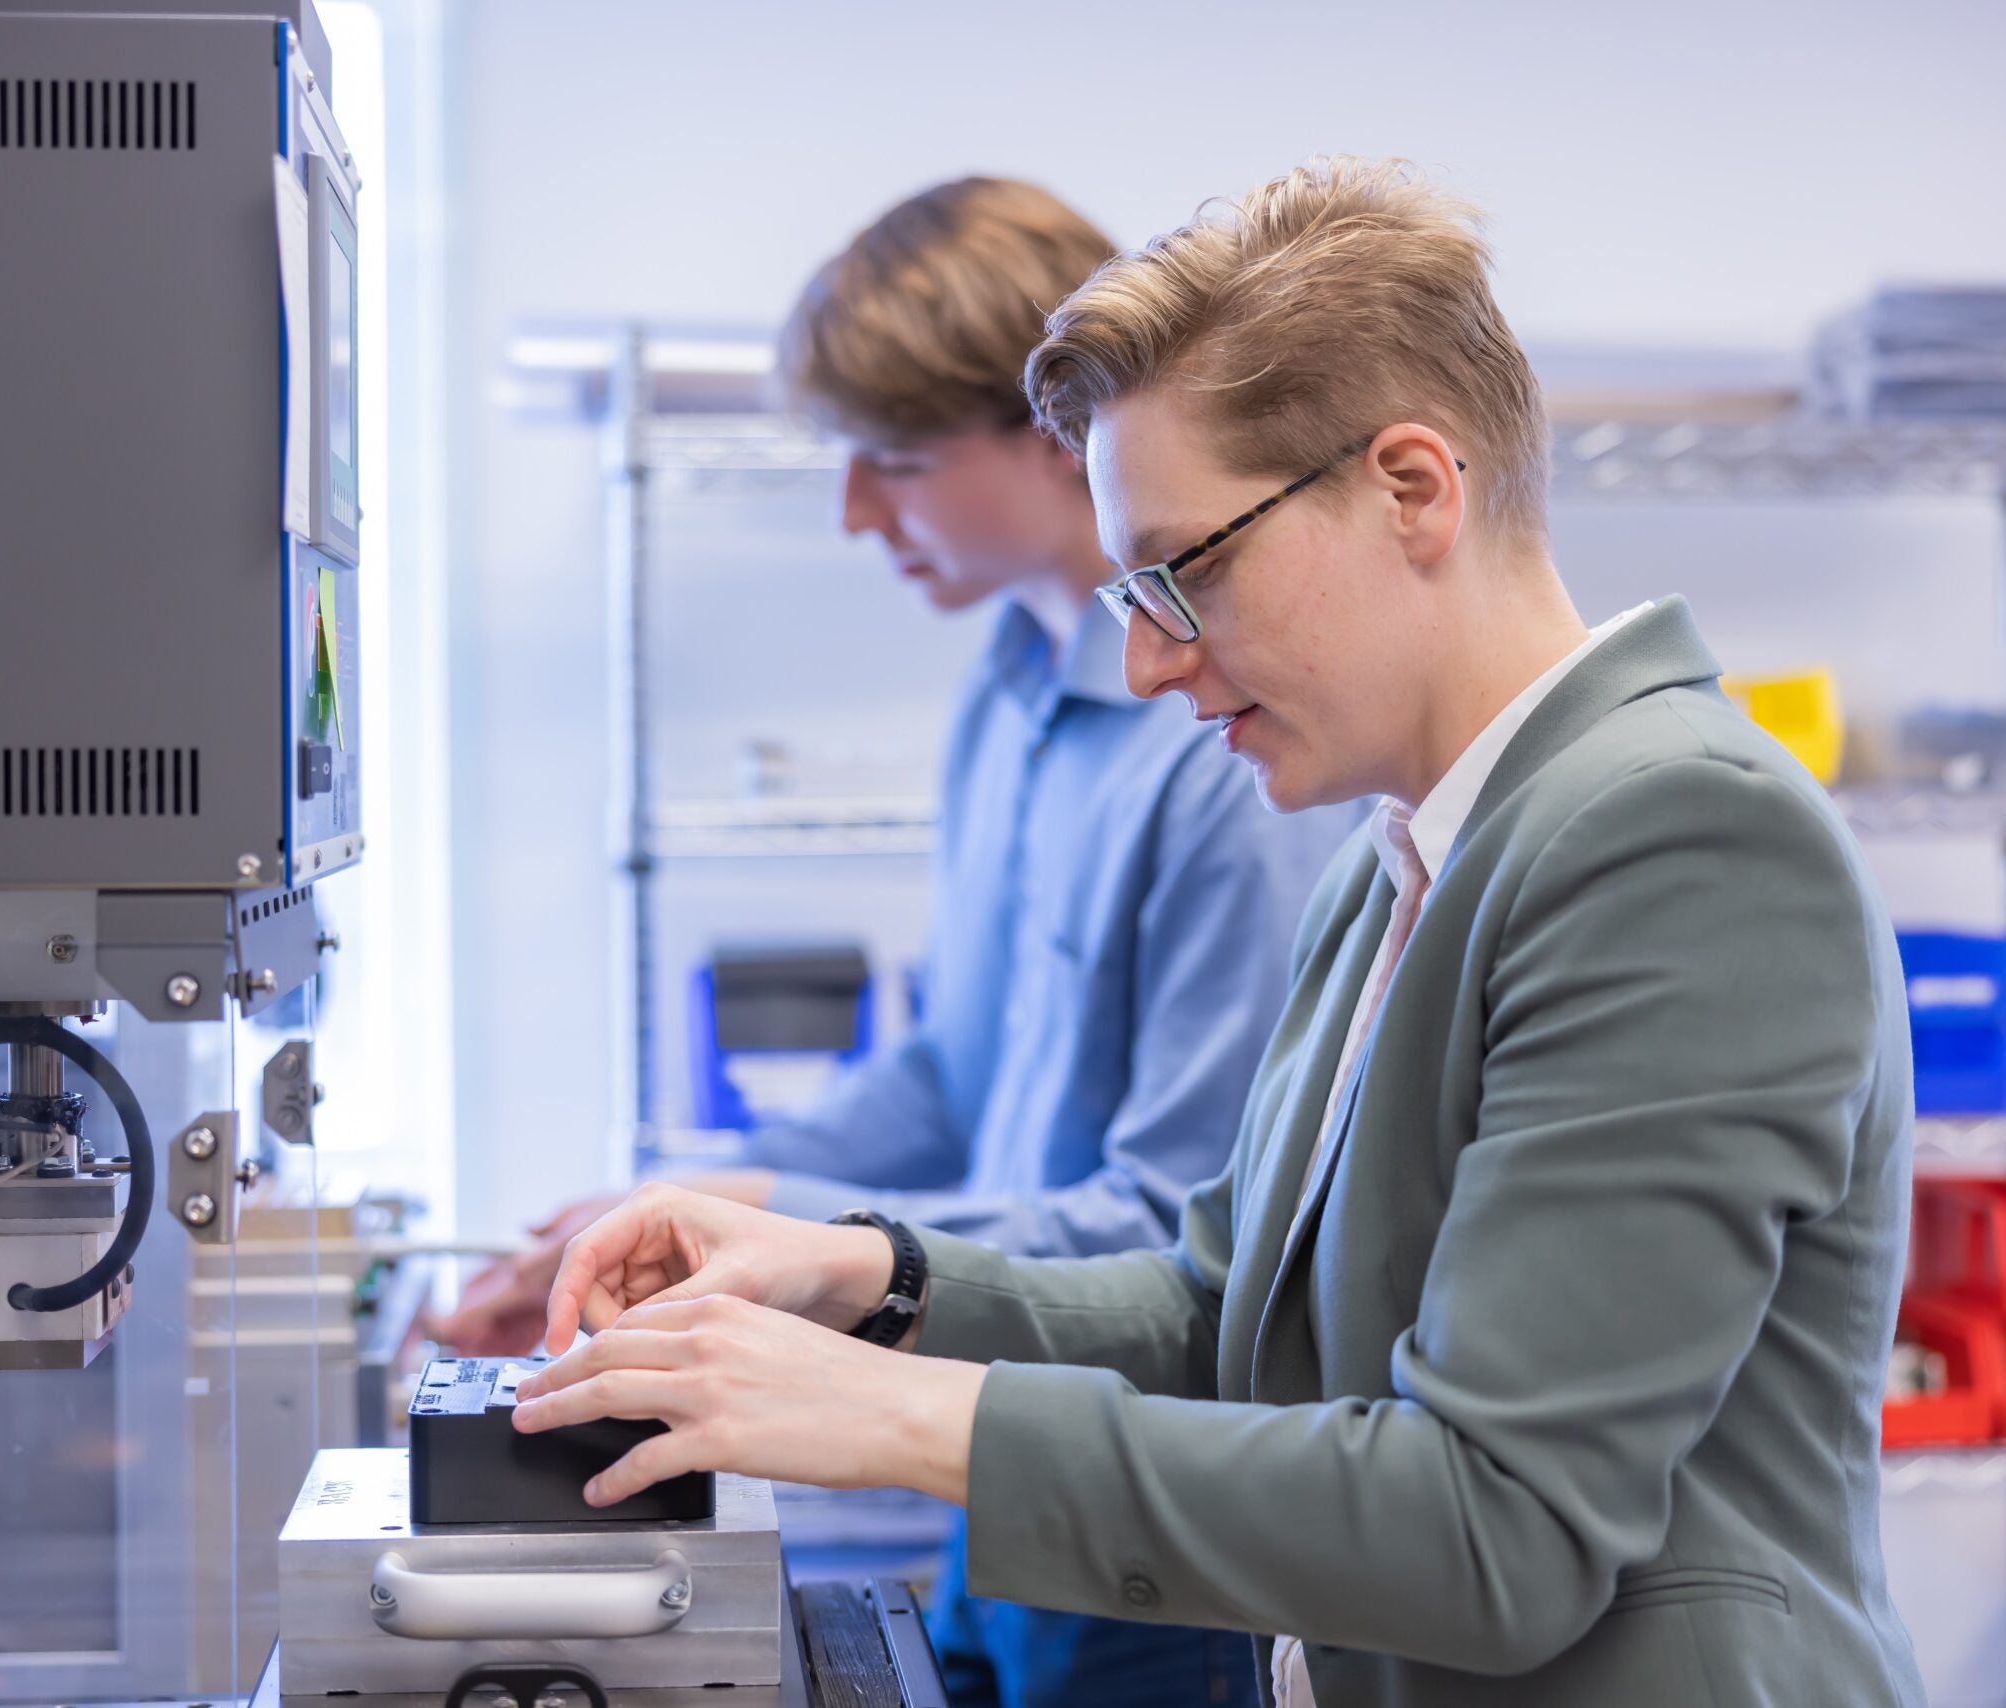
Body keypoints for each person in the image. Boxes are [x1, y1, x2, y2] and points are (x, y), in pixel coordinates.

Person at [503, 157, 1929, 1708]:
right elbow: (1221, 1308)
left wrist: (898, 1418)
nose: (1140, 666)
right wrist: (860, 1274)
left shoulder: (1680, 840)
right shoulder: (1405, 848)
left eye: (1185, 574)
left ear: (1412, 488)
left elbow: (1494, 1529)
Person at [437, 177, 1358, 1708]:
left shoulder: (1223, 760)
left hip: (1151, 1515)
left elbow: (1185, 1234)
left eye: (896, 462)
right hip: (993, 1498)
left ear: (1058, 434)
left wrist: (798, 1252)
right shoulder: (1008, 694)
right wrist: (708, 1201)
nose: (858, 513)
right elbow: (954, 1070)